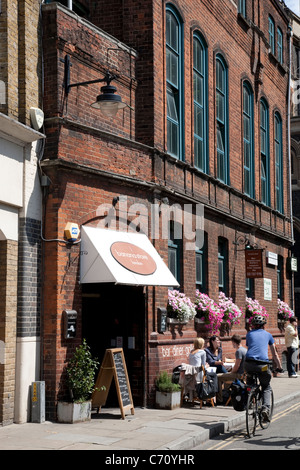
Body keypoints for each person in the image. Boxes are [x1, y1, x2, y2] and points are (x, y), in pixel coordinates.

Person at [245, 315, 282, 422]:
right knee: (266, 386)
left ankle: (250, 397)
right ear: (263, 326)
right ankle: (265, 408)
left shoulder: (249, 334)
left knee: (250, 381)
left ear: (252, 326)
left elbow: (250, 348)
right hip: (263, 365)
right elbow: (274, 354)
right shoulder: (269, 335)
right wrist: (279, 367)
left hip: (248, 363)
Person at [216, 334, 247, 403]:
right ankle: (227, 395)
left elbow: (237, 366)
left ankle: (219, 399)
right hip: (243, 374)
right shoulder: (245, 350)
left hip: (238, 374)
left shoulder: (239, 351)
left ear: (234, 342)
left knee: (217, 377)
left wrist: (232, 372)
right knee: (225, 376)